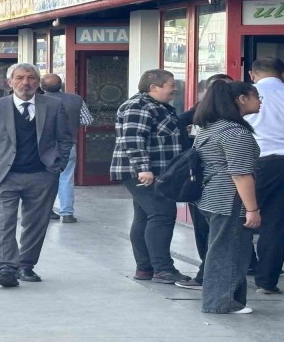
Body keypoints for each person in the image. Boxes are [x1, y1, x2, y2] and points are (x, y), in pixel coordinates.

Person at [0, 63, 73, 287]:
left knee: (36, 223)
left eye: (31, 78)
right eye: (20, 78)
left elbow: (65, 138)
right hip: (5, 175)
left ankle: (26, 265)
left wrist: (58, 165)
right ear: (10, 82)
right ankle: (6, 267)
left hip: (42, 175)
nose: (26, 83)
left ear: (38, 82)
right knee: (5, 221)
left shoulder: (54, 106)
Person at [110, 69, 191, 284]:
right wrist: (144, 168)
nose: (174, 89)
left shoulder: (159, 107)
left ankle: (145, 268)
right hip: (146, 172)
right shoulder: (138, 105)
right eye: (171, 85)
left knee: (145, 216)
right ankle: (163, 268)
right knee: (162, 214)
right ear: (154, 87)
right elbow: (133, 138)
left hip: (156, 171)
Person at [193, 81, 262, 314]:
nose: (260, 101)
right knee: (230, 251)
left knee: (222, 249)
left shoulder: (210, 127)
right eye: (256, 96)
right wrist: (252, 209)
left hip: (210, 196)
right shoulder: (235, 133)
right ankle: (221, 302)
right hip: (229, 199)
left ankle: (227, 300)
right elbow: (241, 174)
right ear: (241, 99)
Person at [174, 73, 233, 290]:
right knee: (205, 226)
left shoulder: (236, 114)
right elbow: (179, 121)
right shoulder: (204, 109)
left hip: (227, 178)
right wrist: (188, 149)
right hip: (205, 178)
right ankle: (205, 273)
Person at [246, 57, 284, 295]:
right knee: (276, 223)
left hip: (258, 162)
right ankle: (266, 282)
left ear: (252, 74)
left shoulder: (247, 95)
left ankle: (234, 272)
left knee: (241, 216)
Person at [41, 73, 93, 223]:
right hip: (69, 144)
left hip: (44, 147)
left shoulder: (39, 101)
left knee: (45, 179)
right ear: (61, 84)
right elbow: (87, 120)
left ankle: (47, 210)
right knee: (66, 179)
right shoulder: (75, 99)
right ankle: (67, 213)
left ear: (42, 86)